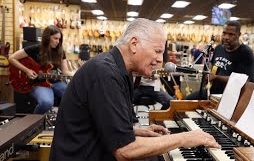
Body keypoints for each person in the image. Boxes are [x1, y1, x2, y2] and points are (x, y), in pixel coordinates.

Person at [49, 18, 220, 161]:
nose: (161, 60)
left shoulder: (115, 68)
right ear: (134, 44)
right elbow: (125, 150)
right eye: (158, 51)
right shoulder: (105, 74)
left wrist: (135, 131)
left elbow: (101, 124)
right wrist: (184, 138)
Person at [8, 25, 73, 114]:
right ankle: (35, 123)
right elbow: (12, 58)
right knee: (46, 103)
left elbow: (65, 71)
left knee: (74, 98)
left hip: (55, 82)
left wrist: (77, 74)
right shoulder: (35, 48)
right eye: (55, 38)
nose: (58, 42)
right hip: (39, 83)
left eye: (59, 39)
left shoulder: (60, 52)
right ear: (47, 37)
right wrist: (27, 70)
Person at [186, 20, 254, 100]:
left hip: (231, 97)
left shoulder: (246, 53)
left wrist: (216, 77)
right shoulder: (219, 48)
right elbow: (212, 65)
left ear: (238, 35)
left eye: (231, 34)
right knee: (185, 101)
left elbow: (247, 81)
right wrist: (208, 73)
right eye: (224, 33)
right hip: (211, 92)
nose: (226, 37)